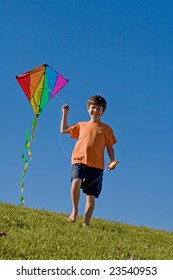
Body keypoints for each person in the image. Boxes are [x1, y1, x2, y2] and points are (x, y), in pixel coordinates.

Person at [61, 95, 117, 226]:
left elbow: (110, 147)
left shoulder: (106, 129)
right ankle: (74, 211)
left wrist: (112, 159)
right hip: (79, 160)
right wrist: (65, 113)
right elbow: (63, 130)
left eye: (99, 108)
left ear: (103, 111)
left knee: (90, 196)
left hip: (97, 166)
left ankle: (86, 223)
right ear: (88, 109)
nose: (95, 111)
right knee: (76, 182)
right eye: (93, 107)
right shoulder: (81, 125)